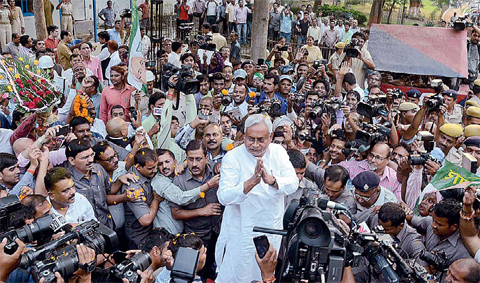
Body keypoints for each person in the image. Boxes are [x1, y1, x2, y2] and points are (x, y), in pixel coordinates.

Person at [215, 114, 298, 283]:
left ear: (271, 137)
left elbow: (293, 183)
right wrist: (250, 184)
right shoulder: (233, 157)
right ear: (244, 136)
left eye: (261, 140)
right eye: (250, 139)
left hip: (269, 228)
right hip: (240, 232)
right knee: (238, 273)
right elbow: (223, 197)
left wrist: (272, 181)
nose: (255, 145)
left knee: (264, 273)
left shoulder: (279, 152)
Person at [411, 198, 472, 267]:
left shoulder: (461, 252)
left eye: (439, 224)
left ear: (453, 227)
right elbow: (411, 218)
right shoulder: (430, 221)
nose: (433, 225)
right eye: (433, 220)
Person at [123, 148, 163, 248]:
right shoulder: (133, 187)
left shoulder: (147, 170)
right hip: (139, 237)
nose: (155, 170)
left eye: (156, 166)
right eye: (150, 168)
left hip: (151, 232)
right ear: (138, 167)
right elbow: (145, 220)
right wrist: (156, 200)